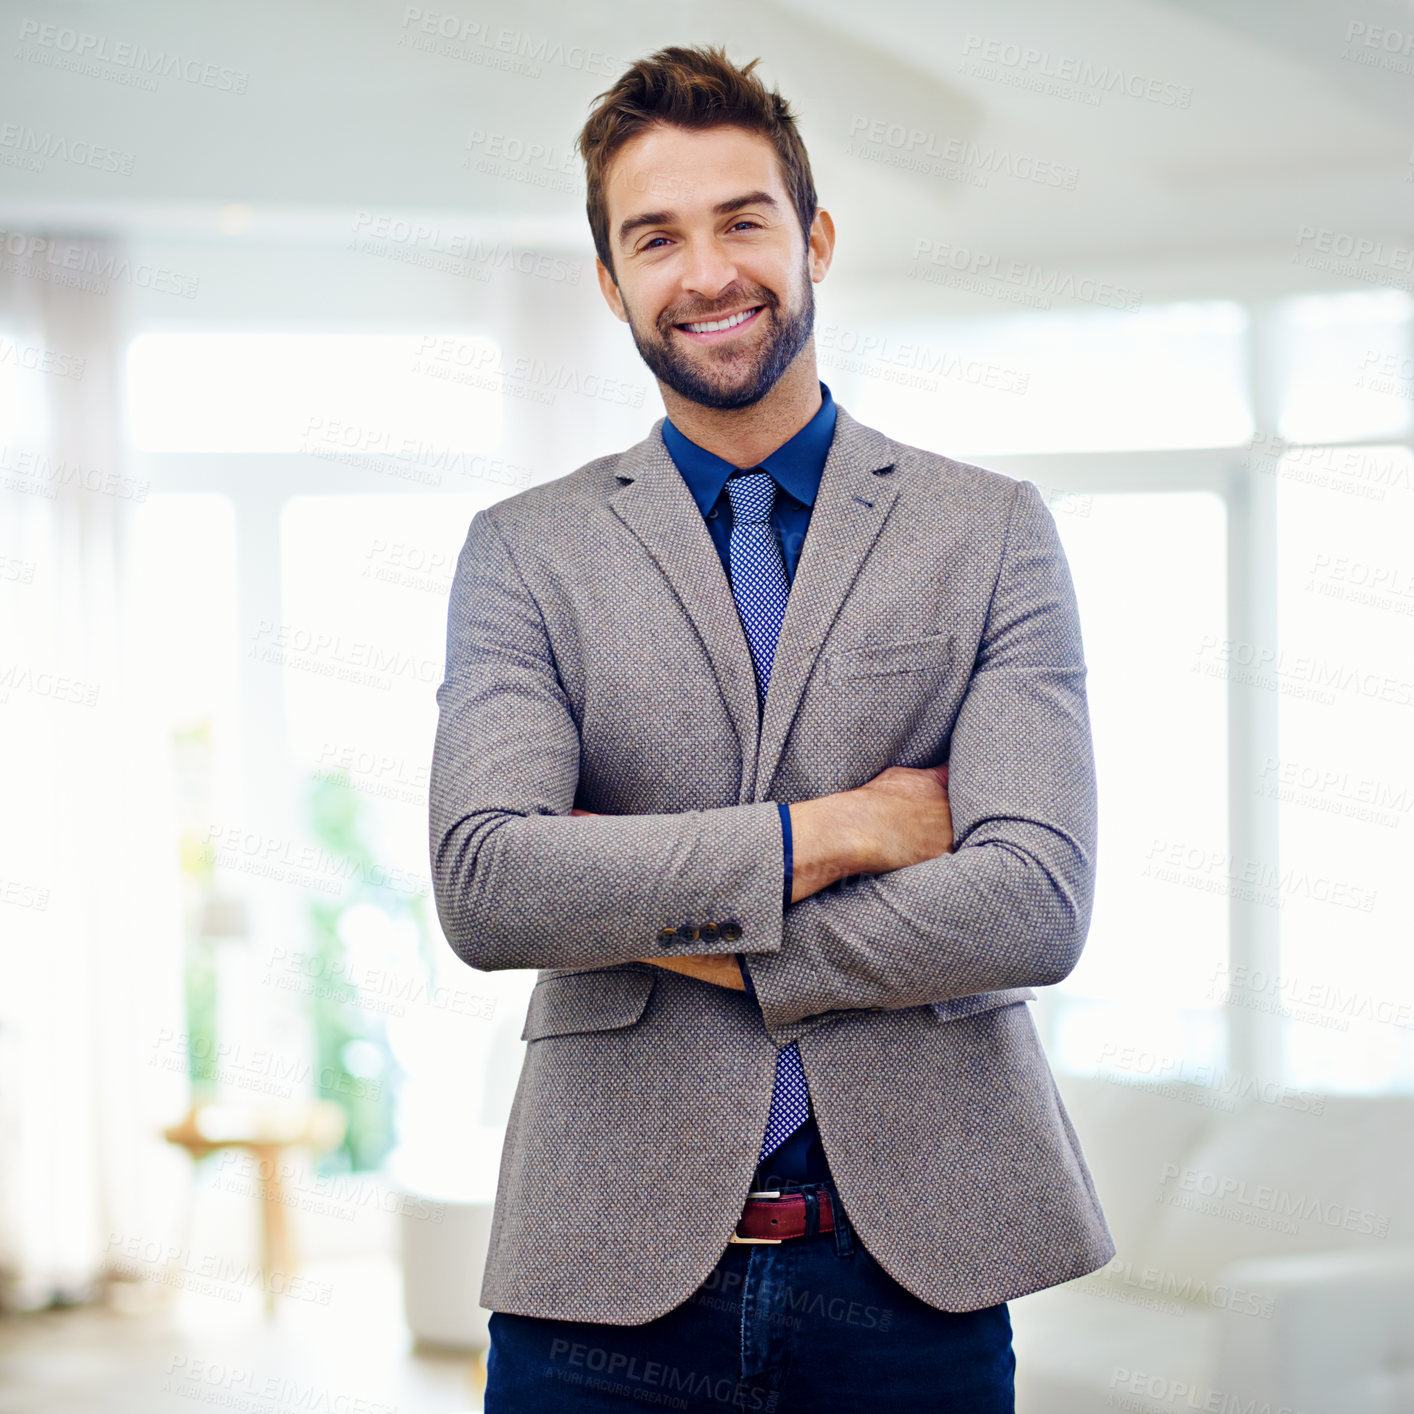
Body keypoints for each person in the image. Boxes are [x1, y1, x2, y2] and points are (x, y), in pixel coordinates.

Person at [428, 42, 1114, 1413]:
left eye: (742, 219)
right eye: (655, 236)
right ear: (612, 281)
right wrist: (842, 830)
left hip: (910, 1270)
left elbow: (1032, 902)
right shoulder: (524, 551)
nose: (708, 272)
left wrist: (646, 911)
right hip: (597, 1275)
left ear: (813, 237)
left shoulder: (986, 532)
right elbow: (491, 884)